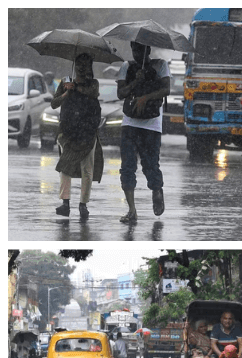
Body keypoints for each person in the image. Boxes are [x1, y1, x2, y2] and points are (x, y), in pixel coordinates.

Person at [116, 41, 170, 224]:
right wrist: (135, 82)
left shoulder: (160, 65)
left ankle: (157, 190)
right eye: (134, 49)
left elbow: (166, 89)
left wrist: (145, 97)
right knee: (128, 167)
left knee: (150, 165)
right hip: (130, 124)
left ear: (149, 49)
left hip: (151, 125)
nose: (137, 53)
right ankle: (132, 210)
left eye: (141, 49)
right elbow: (120, 93)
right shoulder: (127, 67)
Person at [51, 52, 104, 219]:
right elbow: (54, 103)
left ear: (90, 66)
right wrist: (66, 92)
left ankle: (83, 204)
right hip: (68, 132)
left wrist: (77, 88)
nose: (81, 68)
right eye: (79, 64)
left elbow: (93, 93)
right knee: (65, 165)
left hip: (88, 132)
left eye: (85, 64)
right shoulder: (65, 82)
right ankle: (65, 203)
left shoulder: (93, 84)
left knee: (87, 169)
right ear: (74, 64)